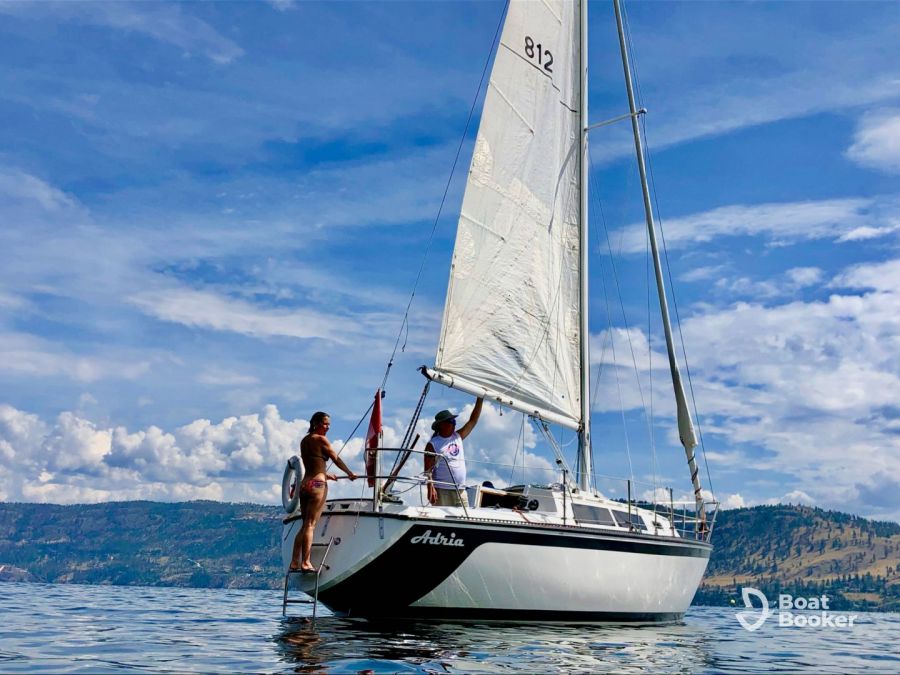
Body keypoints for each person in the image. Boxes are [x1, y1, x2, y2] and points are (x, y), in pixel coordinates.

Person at [289, 411, 357, 572]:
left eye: (328, 424)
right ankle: (306, 562)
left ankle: (294, 562)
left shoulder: (305, 441)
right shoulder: (321, 439)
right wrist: (349, 473)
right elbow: (335, 458)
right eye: (325, 424)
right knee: (310, 525)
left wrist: (327, 474)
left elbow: (312, 463)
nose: (327, 427)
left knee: (304, 525)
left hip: (305, 485)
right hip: (317, 485)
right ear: (315, 424)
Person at [424, 397, 483, 507]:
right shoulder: (432, 444)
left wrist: (480, 399)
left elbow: (473, 421)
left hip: (461, 490)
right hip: (442, 491)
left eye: (454, 421)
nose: (454, 424)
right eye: (451, 421)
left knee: (464, 518)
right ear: (441, 425)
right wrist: (430, 488)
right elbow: (428, 470)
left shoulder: (458, 436)